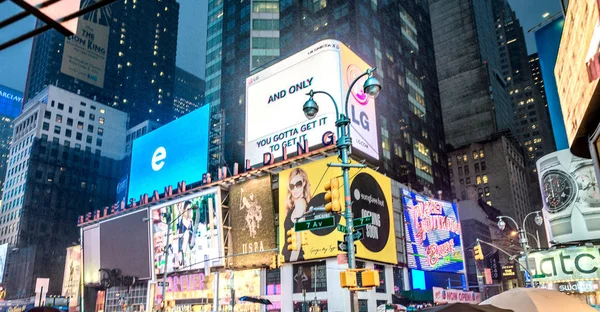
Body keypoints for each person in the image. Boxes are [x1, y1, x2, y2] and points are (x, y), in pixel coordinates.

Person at [282, 168, 311, 261]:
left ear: (304, 183)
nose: (295, 189)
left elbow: (297, 240)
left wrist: (292, 263)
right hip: (290, 257)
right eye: (292, 186)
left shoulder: (300, 204)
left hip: (293, 257)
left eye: (298, 184)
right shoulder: (295, 205)